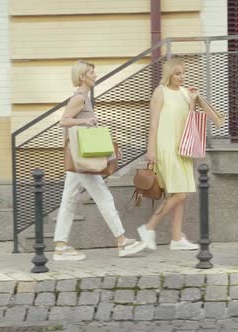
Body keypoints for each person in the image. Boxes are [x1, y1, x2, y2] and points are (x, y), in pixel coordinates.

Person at [53, 60, 147, 260]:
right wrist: (84, 120)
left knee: (68, 201)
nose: (95, 75)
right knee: (103, 196)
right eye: (91, 72)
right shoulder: (79, 97)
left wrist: (110, 151)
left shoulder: (84, 97)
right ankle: (122, 242)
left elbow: (89, 133)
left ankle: (61, 248)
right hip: (82, 161)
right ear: (82, 77)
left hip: (78, 160)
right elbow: (64, 121)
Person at [137, 58, 218, 251]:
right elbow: (154, 123)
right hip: (165, 147)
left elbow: (189, 120)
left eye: (183, 73)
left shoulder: (184, 93)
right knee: (180, 194)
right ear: (169, 74)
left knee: (181, 193)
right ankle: (148, 228)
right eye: (177, 73)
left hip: (183, 149)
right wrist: (150, 150)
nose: (182, 77)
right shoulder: (160, 92)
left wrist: (192, 102)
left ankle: (176, 238)